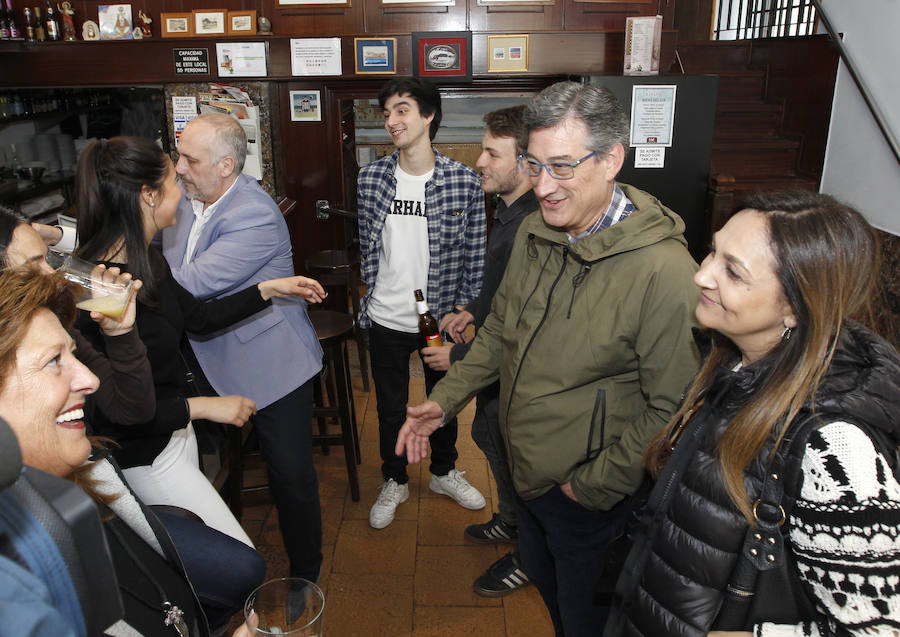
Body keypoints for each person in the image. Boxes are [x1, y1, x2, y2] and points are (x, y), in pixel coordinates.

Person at [396, 81, 700, 636]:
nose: (544, 187)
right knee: (552, 596)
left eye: (562, 167)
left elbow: (673, 408)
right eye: (535, 166)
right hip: (526, 474)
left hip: (587, 498)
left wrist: (590, 487)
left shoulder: (665, 272)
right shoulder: (538, 230)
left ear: (612, 159)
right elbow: (498, 336)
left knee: (588, 620)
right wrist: (443, 403)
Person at [606, 191, 900, 636]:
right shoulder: (733, 362)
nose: (702, 275)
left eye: (733, 271)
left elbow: (875, 628)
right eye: (712, 252)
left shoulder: (834, 447)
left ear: (794, 308)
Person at [72, 136, 326, 550]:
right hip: (147, 454)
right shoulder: (106, 286)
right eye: (174, 177)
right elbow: (119, 409)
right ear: (148, 196)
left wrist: (268, 288)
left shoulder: (147, 264)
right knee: (236, 562)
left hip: (173, 436)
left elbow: (200, 319)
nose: (182, 183)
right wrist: (206, 406)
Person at [0, 268, 264, 636]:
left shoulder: (78, 479)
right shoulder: (19, 590)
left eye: (71, 355)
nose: (88, 380)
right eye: (53, 361)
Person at [161, 112, 326, 585]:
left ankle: (306, 575)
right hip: (206, 355)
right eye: (179, 156)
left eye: (190, 159)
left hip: (272, 364)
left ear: (226, 165)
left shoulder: (252, 213)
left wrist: (132, 268)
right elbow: (165, 258)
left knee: (290, 477)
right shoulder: (192, 199)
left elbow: (188, 285)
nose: (180, 167)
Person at [357, 77, 487, 530]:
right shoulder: (372, 178)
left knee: (443, 401)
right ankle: (394, 479)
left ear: (429, 115)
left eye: (403, 110)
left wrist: (465, 310)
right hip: (385, 316)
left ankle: (444, 471)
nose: (392, 121)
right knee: (390, 408)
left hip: (436, 316)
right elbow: (368, 247)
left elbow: (476, 254)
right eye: (387, 113)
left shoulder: (463, 181)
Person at [420, 105, 536, 597]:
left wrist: (462, 361)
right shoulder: (509, 215)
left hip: (516, 375)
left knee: (523, 464)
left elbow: (528, 325)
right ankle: (511, 521)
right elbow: (506, 296)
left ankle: (531, 555)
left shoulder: (534, 228)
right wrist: (472, 308)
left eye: (492, 152)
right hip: (496, 368)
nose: (480, 162)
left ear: (528, 163)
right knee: (490, 438)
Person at [0, 207, 155, 429]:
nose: (52, 274)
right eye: (35, 265)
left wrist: (119, 333)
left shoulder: (60, 329)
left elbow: (133, 410)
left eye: (48, 259)